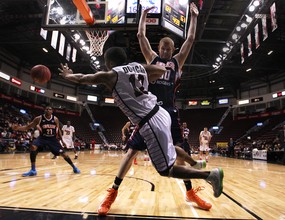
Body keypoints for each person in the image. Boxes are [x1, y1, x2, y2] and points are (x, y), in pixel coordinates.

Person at [59, 47, 224, 215]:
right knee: (138, 151)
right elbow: (161, 69)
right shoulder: (138, 66)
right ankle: (114, 192)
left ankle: (209, 175)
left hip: (150, 122)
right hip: (159, 113)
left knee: (167, 170)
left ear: (109, 63)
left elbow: (83, 78)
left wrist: (67, 76)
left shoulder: (111, 74)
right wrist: (150, 77)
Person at [98, 2, 212, 214]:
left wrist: (194, 18)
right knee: (131, 151)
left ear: (173, 50)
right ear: (158, 49)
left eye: (168, 48)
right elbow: (141, 37)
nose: (165, 50)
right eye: (162, 47)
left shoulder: (178, 61)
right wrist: (142, 15)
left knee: (181, 152)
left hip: (169, 112)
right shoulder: (152, 59)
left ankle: (190, 192)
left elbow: (190, 39)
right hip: (149, 113)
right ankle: (111, 193)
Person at [12, 106, 80, 176]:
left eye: (49, 109)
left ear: (52, 111)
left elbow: (58, 130)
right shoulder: (39, 118)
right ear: (44, 111)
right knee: (33, 147)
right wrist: (18, 128)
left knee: (64, 154)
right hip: (42, 138)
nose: (48, 110)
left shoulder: (55, 119)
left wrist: (62, 141)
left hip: (53, 139)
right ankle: (33, 170)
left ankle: (74, 167)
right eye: (46, 109)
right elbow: (28, 127)